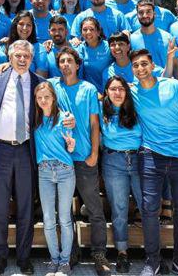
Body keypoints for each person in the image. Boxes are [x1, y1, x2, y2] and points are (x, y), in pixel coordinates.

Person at [130, 49, 178, 276]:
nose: (140, 69)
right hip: (151, 156)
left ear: (153, 66)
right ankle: (153, 261)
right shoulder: (131, 91)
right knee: (150, 210)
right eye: (136, 65)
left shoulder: (172, 86)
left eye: (144, 64)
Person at [50, 47, 111, 275]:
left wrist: (94, 153)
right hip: (60, 158)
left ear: (77, 65)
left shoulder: (88, 89)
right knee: (63, 211)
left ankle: (99, 254)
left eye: (70, 61)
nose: (66, 64)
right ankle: (70, 253)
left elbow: (95, 124)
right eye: (62, 61)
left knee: (94, 209)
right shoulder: (53, 87)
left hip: (84, 157)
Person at [0, 40, 44, 275]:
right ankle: (0, 256)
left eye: (26, 56)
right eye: (18, 55)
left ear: (31, 59)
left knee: (26, 207)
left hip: (25, 150)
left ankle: (23, 257)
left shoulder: (40, 83)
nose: (22, 60)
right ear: (9, 57)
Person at [33, 81, 77, 276]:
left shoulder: (65, 118)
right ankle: (54, 258)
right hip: (44, 171)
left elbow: (70, 146)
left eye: (47, 97)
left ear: (53, 98)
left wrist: (71, 145)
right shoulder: (35, 118)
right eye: (40, 97)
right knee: (49, 218)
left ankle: (65, 261)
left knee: (65, 218)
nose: (43, 101)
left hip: (65, 169)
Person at [100, 76, 143, 273]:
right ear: (106, 92)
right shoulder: (102, 112)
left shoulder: (137, 108)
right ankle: (122, 253)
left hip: (139, 160)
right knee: (119, 209)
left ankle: (154, 253)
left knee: (147, 206)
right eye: (113, 89)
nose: (117, 93)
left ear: (127, 91)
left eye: (121, 89)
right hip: (113, 161)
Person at [129, 0, 178, 80]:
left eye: (148, 12)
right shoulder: (132, 39)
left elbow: (175, 66)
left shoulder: (168, 37)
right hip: (141, 87)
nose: (145, 15)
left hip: (165, 85)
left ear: (154, 14)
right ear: (137, 15)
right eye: (141, 12)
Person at [78, 17, 113, 90]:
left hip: (110, 91)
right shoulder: (79, 48)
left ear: (98, 32)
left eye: (92, 29)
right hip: (91, 92)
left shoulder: (109, 46)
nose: (88, 32)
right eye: (85, 30)